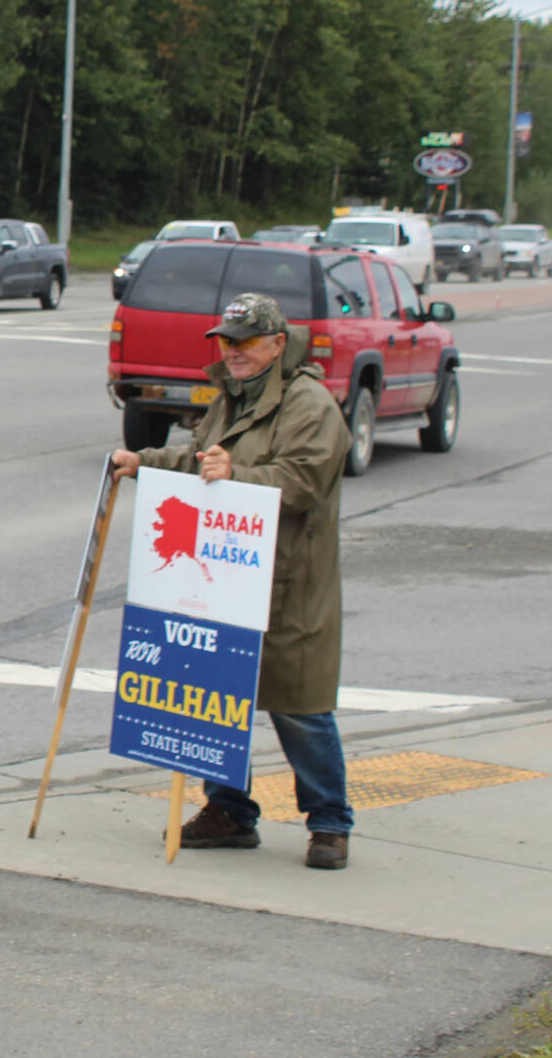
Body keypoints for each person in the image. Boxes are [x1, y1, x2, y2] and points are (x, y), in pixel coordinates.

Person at [109, 292, 354, 871]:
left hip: (290, 581)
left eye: (244, 341)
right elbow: (201, 461)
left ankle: (329, 823)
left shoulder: (310, 404)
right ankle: (230, 811)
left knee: (300, 706)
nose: (233, 351)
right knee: (221, 698)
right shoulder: (228, 398)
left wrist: (238, 474)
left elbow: (304, 481)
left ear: (276, 343)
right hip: (224, 576)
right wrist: (142, 461)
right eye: (226, 340)